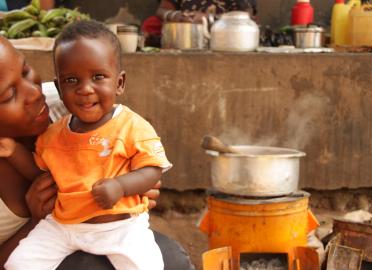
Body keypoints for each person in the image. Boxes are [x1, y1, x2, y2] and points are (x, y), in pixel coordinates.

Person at [0, 32, 194, 270]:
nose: (33, 92)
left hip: (113, 227)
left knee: (168, 260)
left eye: (26, 70)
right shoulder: (58, 128)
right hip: (59, 229)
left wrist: (129, 183)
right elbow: (39, 171)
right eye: (9, 95)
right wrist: (35, 221)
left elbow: (143, 166)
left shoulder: (71, 103)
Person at [156, 0, 257, 23]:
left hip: (224, 42)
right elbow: (161, 10)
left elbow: (247, 18)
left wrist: (209, 18)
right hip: (184, 39)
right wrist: (174, 15)